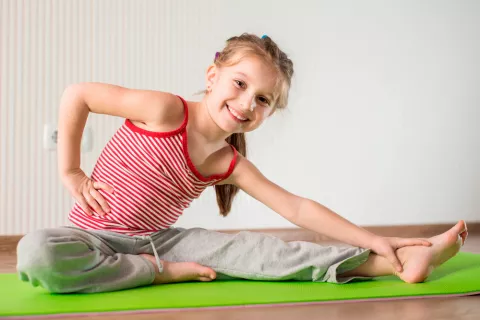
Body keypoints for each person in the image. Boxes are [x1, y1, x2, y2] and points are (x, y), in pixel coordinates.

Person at [16, 33, 468, 293]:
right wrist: (71, 170)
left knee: (260, 250)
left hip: (160, 241)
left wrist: (377, 238)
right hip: (92, 237)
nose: (246, 103)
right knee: (36, 252)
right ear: (212, 77)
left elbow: (297, 209)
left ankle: (397, 260)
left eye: (263, 99)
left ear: (270, 112)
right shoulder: (163, 110)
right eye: (239, 83)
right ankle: (159, 276)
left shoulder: (225, 161)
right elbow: (78, 95)